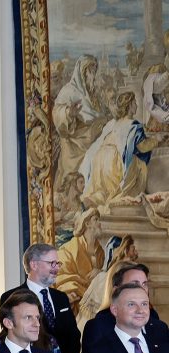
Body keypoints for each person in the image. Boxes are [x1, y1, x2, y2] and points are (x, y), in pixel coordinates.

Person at [81, 91, 155, 209]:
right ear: (129, 105)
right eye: (134, 102)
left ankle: (87, 203)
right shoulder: (134, 125)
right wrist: (157, 140)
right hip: (114, 161)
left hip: (100, 160)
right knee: (138, 166)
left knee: (101, 193)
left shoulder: (114, 123)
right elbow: (142, 147)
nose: (136, 104)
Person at [81, 261, 165, 349]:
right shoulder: (99, 327)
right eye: (134, 284)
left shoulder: (157, 322)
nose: (141, 289)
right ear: (116, 289)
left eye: (144, 283)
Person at [52, 54, 107, 188]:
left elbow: (99, 114)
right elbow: (56, 113)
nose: (93, 75)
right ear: (82, 72)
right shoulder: (68, 91)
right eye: (91, 71)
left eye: (95, 71)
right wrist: (69, 113)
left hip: (94, 139)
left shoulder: (93, 93)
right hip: (75, 145)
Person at [55, 209, 103, 311]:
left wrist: (99, 273)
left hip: (93, 304)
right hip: (74, 303)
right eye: (96, 219)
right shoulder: (70, 248)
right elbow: (58, 276)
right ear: (87, 223)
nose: (100, 223)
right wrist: (70, 291)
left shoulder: (100, 252)